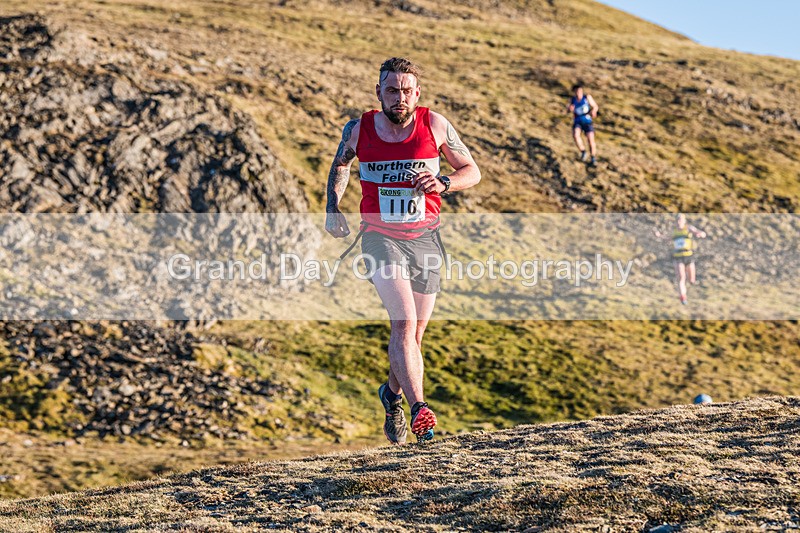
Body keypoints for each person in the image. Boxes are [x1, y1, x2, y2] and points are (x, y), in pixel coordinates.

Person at [324, 57, 481, 444]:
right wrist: (332, 207)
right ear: (379, 92)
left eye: (407, 91)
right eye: (392, 91)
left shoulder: (436, 125)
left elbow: (471, 171)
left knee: (415, 336)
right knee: (404, 324)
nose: (400, 98)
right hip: (380, 238)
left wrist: (443, 182)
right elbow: (341, 164)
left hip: (425, 238)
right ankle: (420, 411)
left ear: (417, 93)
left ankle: (391, 394)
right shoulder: (359, 129)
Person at [656, 214, 707, 305]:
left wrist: (701, 234)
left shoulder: (688, 228)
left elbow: (698, 232)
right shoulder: (674, 232)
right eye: (677, 220)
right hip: (678, 256)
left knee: (692, 280)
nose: (679, 222)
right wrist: (659, 236)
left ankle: (695, 294)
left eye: (680, 220)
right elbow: (668, 238)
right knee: (681, 277)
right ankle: (683, 297)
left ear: (684, 221)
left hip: (688, 255)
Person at [567, 83, 599, 166]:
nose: (578, 93)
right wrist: (570, 109)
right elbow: (568, 110)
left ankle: (593, 157)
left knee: (590, 140)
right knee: (575, 135)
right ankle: (583, 151)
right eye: (576, 91)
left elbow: (595, 106)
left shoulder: (587, 97)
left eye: (580, 91)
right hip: (577, 121)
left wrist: (593, 111)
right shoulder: (572, 100)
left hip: (587, 121)